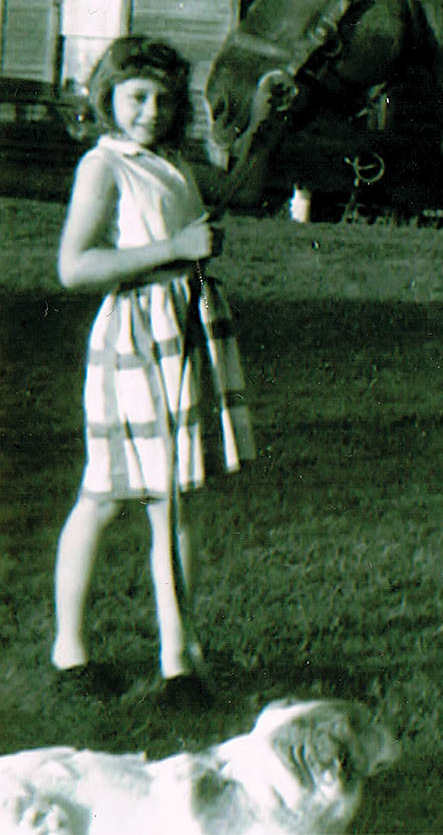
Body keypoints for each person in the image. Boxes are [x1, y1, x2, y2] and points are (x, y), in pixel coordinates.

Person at [50, 36, 254, 709]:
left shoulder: (172, 162)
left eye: (164, 101)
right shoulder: (104, 165)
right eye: (137, 97)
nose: (151, 112)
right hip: (136, 337)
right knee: (106, 495)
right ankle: (70, 653)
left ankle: (178, 660)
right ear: (107, 95)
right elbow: (74, 266)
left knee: (176, 496)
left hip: (183, 329)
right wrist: (174, 248)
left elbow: (229, 192)